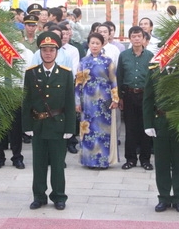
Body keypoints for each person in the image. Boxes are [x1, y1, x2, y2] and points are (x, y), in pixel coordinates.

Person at [22, 32, 76, 210]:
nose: (48, 53)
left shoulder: (65, 74)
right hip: (38, 125)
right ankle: (39, 196)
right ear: (40, 52)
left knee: (58, 164)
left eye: (51, 50)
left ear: (57, 52)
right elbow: (27, 101)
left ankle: (59, 196)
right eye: (44, 50)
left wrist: (70, 127)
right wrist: (27, 125)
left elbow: (69, 101)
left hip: (58, 125)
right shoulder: (31, 74)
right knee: (38, 164)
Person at [143, 65, 179, 214]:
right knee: (161, 162)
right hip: (160, 120)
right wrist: (148, 124)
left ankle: (178, 199)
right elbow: (148, 99)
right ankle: (163, 198)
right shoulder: (154, 71)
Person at [75, 32, 119, 169]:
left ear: (102, 44)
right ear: (88, 44)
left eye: (97, 43)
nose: (94, 46)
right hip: (87, 102)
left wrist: (115, 98)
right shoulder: (83, 62)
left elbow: (113, 81)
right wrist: (77, 102)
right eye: (92, 43)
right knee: (88, 132)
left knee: (102, 132)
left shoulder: (108, 61)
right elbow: (78, 83)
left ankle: (102, 160)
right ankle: (88, 161)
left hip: (104, 102)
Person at [116, 26, 154, 171]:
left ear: (144, 39)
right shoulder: (124, 55)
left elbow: (153, 79)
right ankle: (130, 159)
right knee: (130, 129)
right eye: (134, 36)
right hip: (129, 95)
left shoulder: (150, 56)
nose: (137, 39)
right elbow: (119, 76)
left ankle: (145, 160)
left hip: (145, 96)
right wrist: (120, 97)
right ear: (130, 38)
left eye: (139, 36)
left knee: (145, 127)